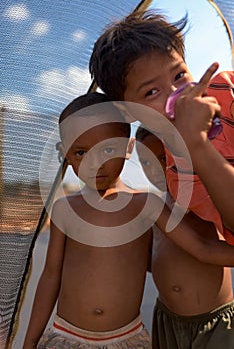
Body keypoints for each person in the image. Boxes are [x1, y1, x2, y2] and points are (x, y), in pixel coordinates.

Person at [23, 92, 234, 349]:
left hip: (128, 340)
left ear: (129, 148)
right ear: (65, 155)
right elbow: (50, 277)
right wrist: (30, 341)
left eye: (108, 149)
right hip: (67, 337)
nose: (95, 164)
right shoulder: (65, 209)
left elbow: (201, 248)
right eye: (80, 152)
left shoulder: (146, 205)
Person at [89, 10, 234, 243]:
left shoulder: (228, 87)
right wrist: (196, 145)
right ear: (129, 112)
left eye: (179, 75)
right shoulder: (180, 178)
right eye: (151, 92)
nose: (175, 94)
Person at [135, 125, 234, 348]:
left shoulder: (202, 198)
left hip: (212, 321)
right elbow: (155, 257)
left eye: (163, 157)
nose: (157, 168)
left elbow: (206, 248)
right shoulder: (157, 207)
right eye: (147, 162)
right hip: (168, 318)